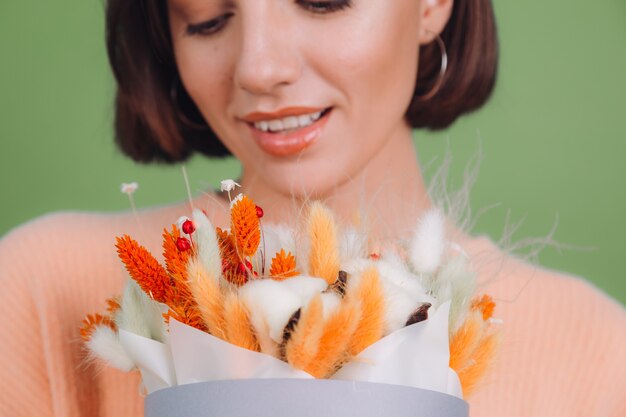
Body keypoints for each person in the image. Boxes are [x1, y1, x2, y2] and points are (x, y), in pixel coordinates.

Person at [0, 0, 624, 416]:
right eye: (209, 18)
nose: (259, 68)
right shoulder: (38, 290)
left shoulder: (596, 353)